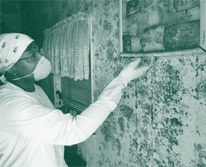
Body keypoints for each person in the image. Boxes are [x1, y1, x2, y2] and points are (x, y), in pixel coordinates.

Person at [0, 33, 150, 167]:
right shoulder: (9, 106)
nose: (42, 59)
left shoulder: (35, 89)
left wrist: (59, 113)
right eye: (33, 56)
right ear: (11, 68)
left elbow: (38, 126)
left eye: (39, 52)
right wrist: (123, 79)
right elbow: (75, 130)